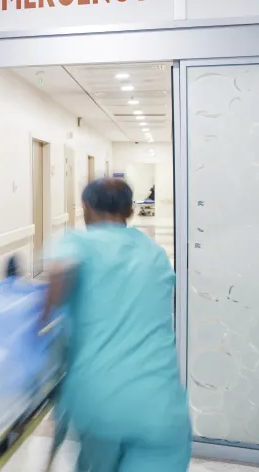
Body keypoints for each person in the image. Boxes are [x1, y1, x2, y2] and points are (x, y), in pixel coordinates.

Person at [42, 178, 190, 472]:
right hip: (161, 404)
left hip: (102, 398)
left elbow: (59, 280)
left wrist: (44, 316)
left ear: (86, 207)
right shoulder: (155, 253)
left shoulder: (77, 242)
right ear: (131, 211)